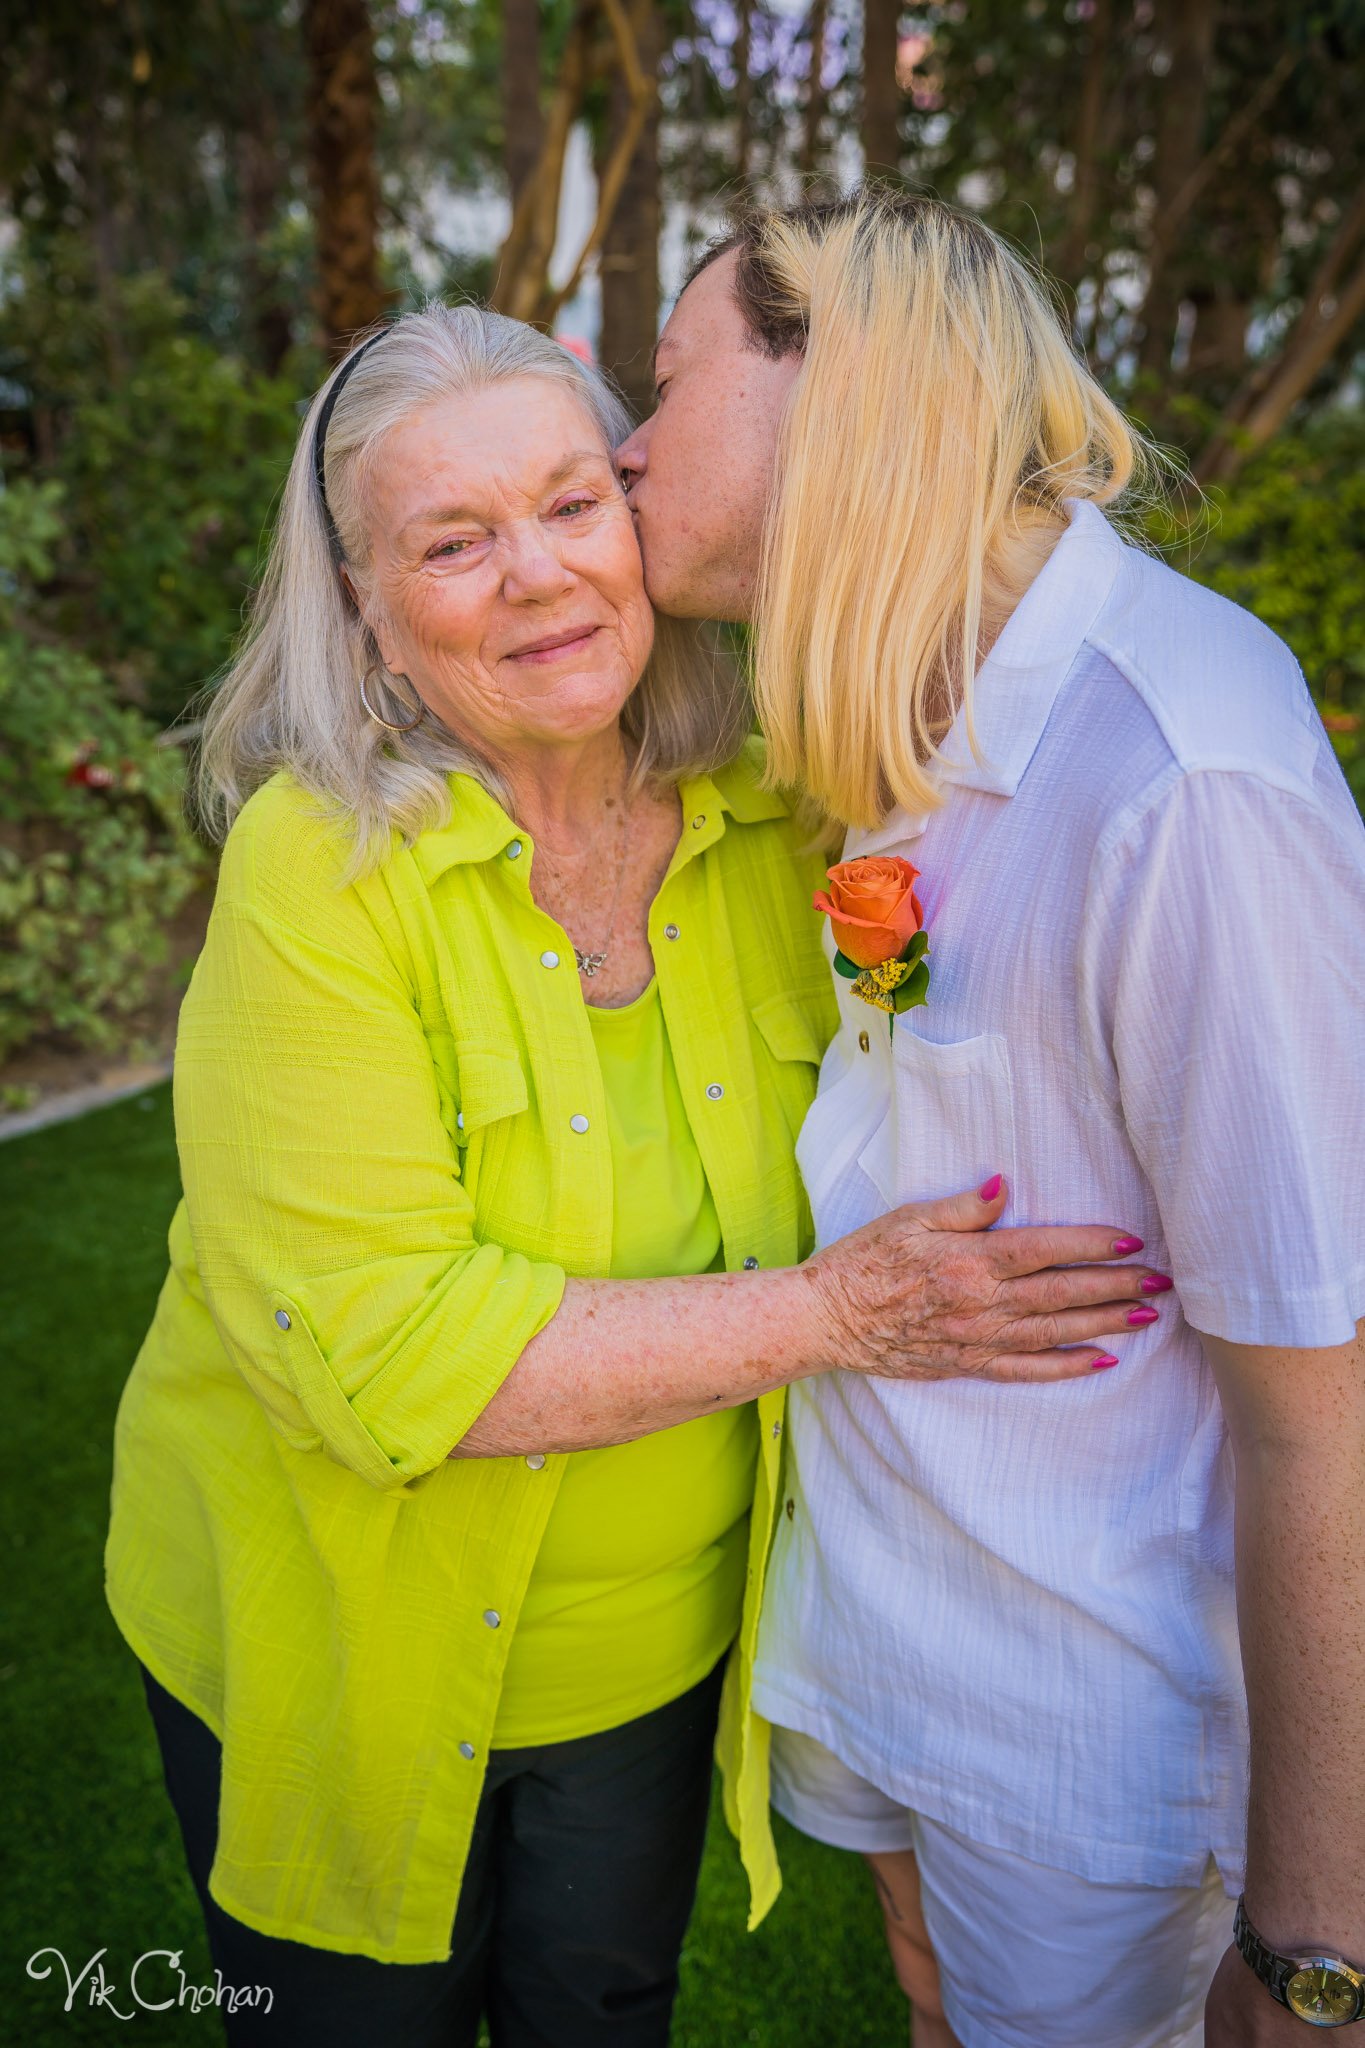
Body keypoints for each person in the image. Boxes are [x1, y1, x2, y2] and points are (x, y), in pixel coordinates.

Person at [102, 301, 1160, 2048]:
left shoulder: (771, 813)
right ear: (366, 610)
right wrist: (836, 1314)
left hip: (652, 1655)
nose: (536, 575)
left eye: (571, 502)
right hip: (340, 1646)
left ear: (640, 520)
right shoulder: (321, 872)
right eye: (453, 542)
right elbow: (391, 1355)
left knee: (603, 2010)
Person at [616, 191, 1365, 2048]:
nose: (624, 445)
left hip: (1092, 1740)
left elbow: (1321, 1404)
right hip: (897, 1653)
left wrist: (1317, 1941)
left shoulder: (1177, 775)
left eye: (663, 380)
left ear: (841, 389)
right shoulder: (895, 717)